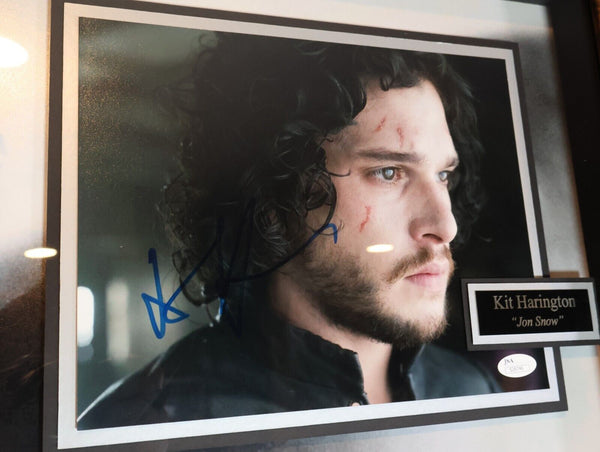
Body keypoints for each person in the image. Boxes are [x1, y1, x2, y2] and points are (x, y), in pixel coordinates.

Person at [78, 31, 497, 429]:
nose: (445, 226)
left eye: (443, 175)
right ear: (273, 200)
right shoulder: (148, 429)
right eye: (388, 172)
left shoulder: (472, 394)